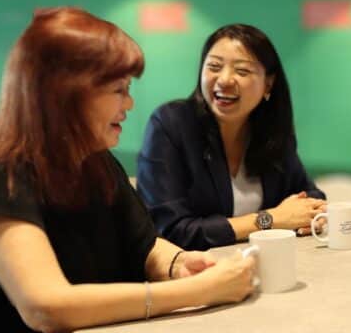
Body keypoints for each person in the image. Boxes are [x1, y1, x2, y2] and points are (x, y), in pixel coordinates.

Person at [0, 8, 255, 333]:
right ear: (66, 94)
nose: (130, 103)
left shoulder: (94, 161)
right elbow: (46, 306)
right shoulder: (2, 176)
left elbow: (144, 245)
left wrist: (177, 264)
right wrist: (197, 293)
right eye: (118, 90)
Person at [137, 24, 325, 250]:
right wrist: (269, 220)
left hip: (262, 264)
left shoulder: (271, 132)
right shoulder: (171, 125)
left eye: (242, 71)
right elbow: (169, 229)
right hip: (193, 275)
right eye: (214, 66)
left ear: (268, 83)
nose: (224, 80)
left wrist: (313, 215)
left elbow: (309, 194)